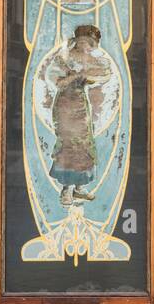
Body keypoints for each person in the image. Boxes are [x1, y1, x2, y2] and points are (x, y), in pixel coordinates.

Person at [45, 24, 113, 206]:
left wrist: (87, 74)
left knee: (84, 144)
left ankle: (79, 188)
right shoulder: (64, 58)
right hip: (65, 106)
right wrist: (75, 77)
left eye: (91, 44)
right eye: (85, 42)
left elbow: (105, 73)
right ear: (78, 41)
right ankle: (66, 189)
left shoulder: (89, 58)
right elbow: (57, 82)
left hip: (81, 105)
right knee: (69, 144)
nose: (87, 47)